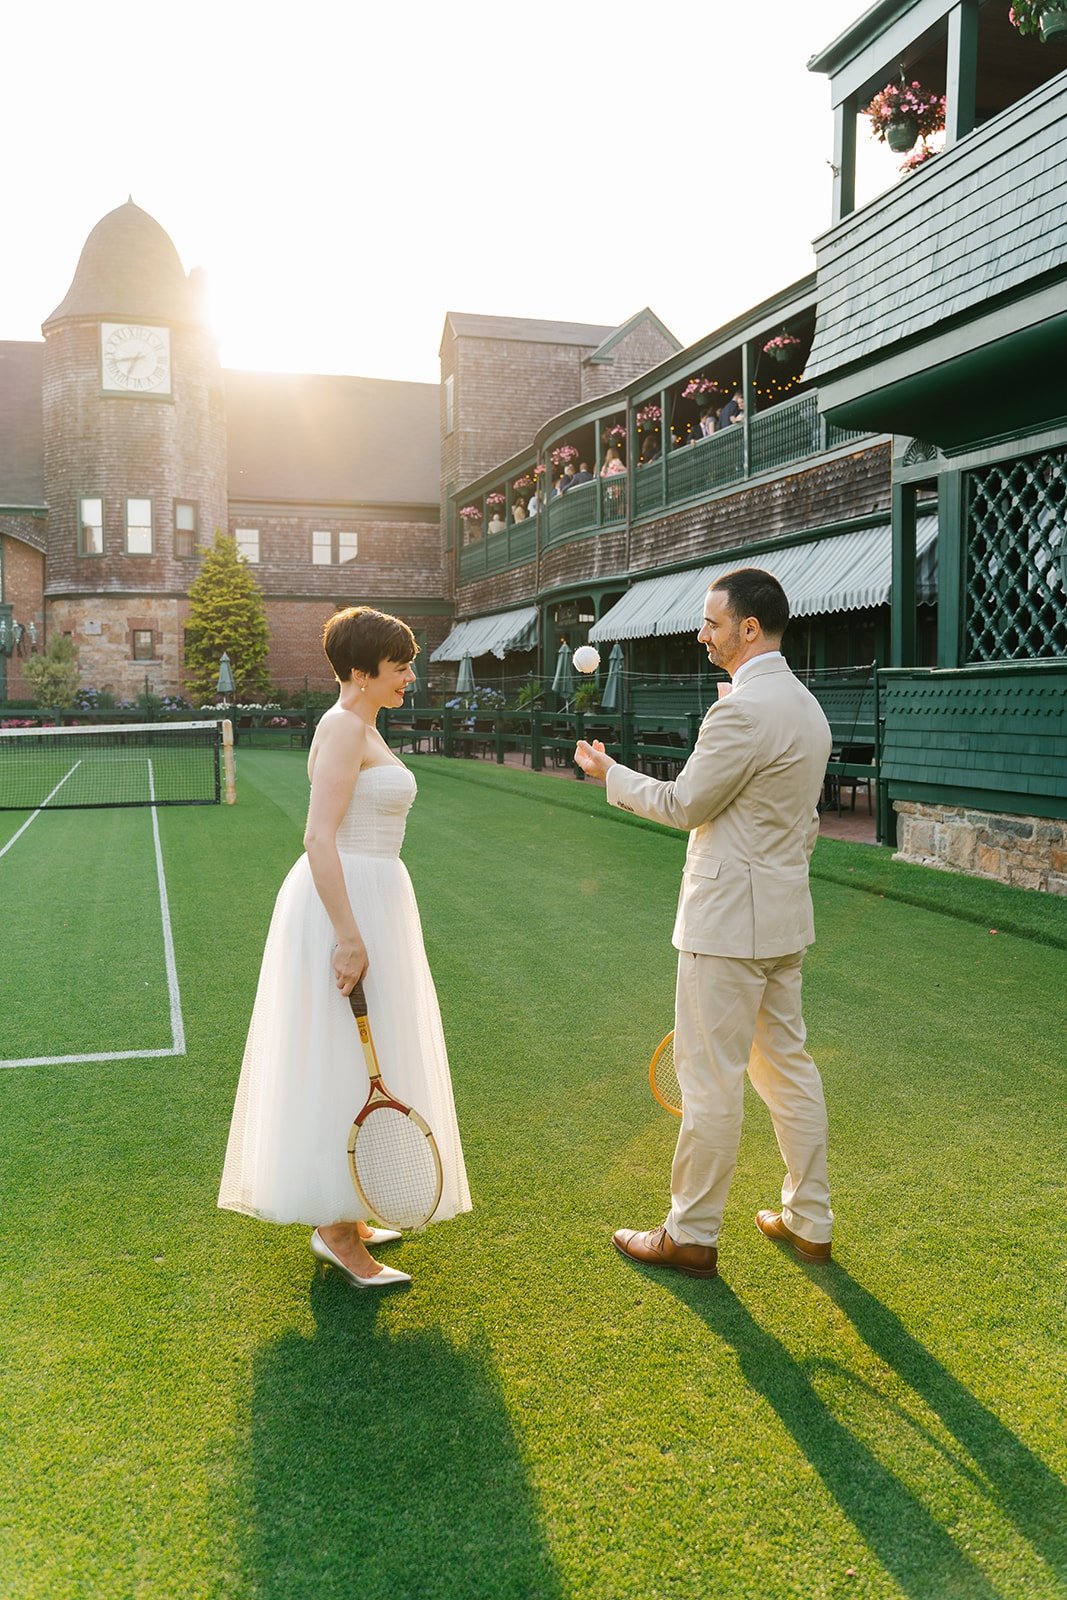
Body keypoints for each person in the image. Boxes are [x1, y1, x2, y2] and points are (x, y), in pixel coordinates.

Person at [574, 569, 833, 1279]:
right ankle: (810, 1220)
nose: (701, 633)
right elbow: (797, 819)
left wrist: (608, 773)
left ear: (749, 628)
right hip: (782, 920)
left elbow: (685, 803)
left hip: (727, 929)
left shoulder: (743, 713)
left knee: (710, 1082)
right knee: (788, 1071)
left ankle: (689, 1234)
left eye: (712, 622)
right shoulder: (804, 706)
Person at [219, 606, 472, 1287]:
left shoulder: (362, 725)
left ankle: (349, 1213)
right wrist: (349, 936)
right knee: (341, 1052)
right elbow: (317, 837)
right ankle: (335, 1232)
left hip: (377, 895)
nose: (409, 679)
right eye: (399, 668)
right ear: (360, 674)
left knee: (369, 1046)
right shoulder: (340, 727)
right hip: (344, 904)